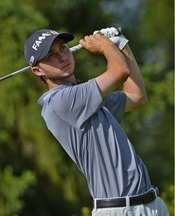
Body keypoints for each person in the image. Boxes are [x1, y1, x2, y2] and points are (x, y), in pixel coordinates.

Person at [24, 28, 169, 215]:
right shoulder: (60, 102)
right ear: (37, 70)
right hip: (119, 210)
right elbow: (120, 71)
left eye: (63, 48)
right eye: (51, 55)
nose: (62, 57)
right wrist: (105, 45)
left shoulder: (87, 98)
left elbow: (137, 96)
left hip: (152, 204)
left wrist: (122, 45)